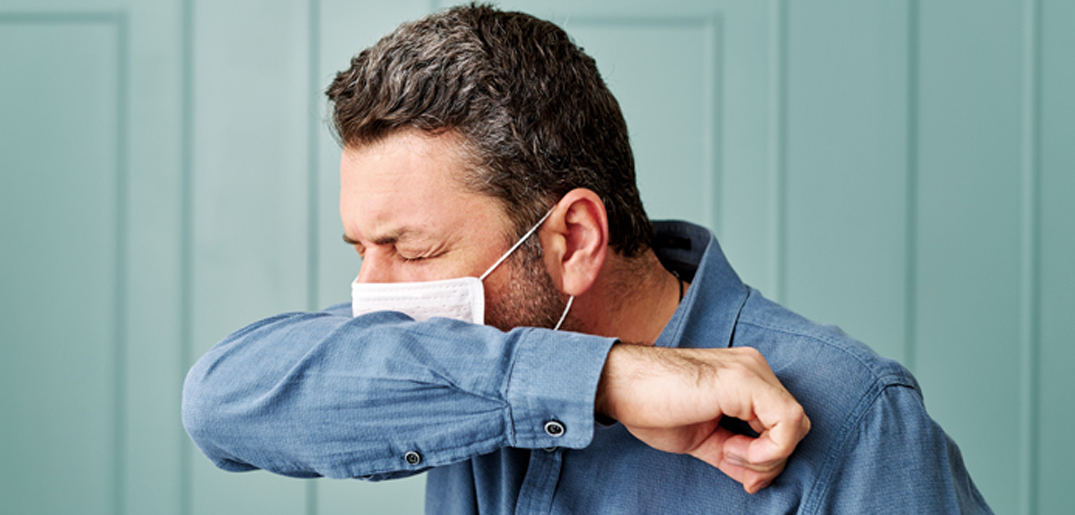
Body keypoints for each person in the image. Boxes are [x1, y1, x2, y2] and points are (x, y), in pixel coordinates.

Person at [182, 4, 992, 513]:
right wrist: (604, 376)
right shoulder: (434, 348)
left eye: (413, 250)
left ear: (571, 240)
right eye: (362, 249)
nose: (370, 295)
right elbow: (222, 401)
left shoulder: (854, 417)